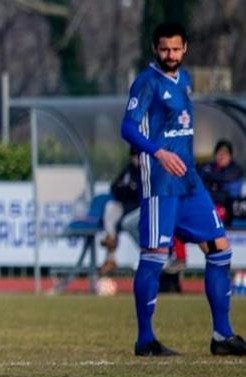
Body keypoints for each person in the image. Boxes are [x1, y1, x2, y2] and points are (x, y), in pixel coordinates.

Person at [120, 22, 246, 356]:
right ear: (154, 49)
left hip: (190, 183)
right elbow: (127, 128)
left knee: (220, 250)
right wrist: (157, 152)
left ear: (185, 48)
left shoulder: (185, 80)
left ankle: (222, 336)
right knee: (155, 257)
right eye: (164, 49)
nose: (170, 55)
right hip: (161, 183)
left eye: (176, 49)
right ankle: (145, 340)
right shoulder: (146, 83)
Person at [99, 148, 142, 276]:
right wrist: (128, 189)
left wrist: (129, 189)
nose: (136, 160)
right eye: (135, 157)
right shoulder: (128, 170)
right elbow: (114, 188)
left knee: (126, 223)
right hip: (125, 206)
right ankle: (111, 248)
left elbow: (140, 193)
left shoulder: (148, 171)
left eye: (138, 157)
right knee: (110, 207)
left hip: (141, 208)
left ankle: (150, 253)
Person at [199, 139, 244, 217]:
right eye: (219, 153)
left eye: (225, 154)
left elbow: (230, 193)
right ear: (215, 154)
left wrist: (211, 181)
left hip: (230, 214)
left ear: (230, 156)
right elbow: (199, 185)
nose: (222, 156)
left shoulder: (236, 169)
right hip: (208, 209)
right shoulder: (207, 167)